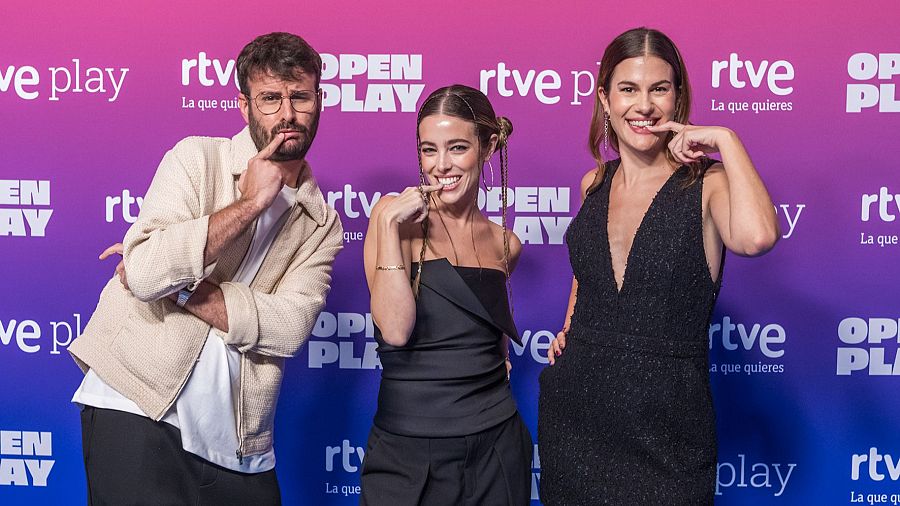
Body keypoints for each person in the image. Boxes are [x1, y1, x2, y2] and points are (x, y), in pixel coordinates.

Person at [68, 32, 343, 505]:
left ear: (319, 101)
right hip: (136, 403)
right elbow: (150, 269)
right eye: (270, 99)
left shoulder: (323, 223)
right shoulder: (197, 158)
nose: (287, 114)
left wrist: (177, 288)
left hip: (237, 438)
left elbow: (288, 328)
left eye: (300, 97)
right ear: (245, 106)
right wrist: (250, 203)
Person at [538, 27, 780, 505]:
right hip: (576, 416)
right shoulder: (594, 182)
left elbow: (757, 237)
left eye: (659, 89)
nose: (643, 105)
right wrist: (572, 326)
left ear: (678, 97)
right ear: (604, 99)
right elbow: (589, 272)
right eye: (628, 89)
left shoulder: (707, 183)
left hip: (668, 427)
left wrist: (726, 140)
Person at [359, 84, 533, 505]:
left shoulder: (505, 243)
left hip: (496, 449)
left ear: (488, 147)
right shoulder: (392, 220)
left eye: (456, 148)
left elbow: (486, 335)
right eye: (428, 150)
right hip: (408, 451)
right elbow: (396, 330)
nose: (440, 166)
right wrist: (386, 226)